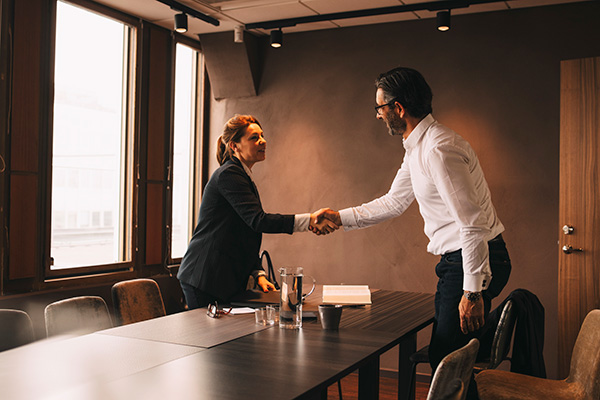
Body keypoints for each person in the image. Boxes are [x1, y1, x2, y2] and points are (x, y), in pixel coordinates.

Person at [314, 67, 511, 381]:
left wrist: (472, 294)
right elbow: (394, 202)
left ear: (398, 108)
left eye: (380, 108)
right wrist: (340, 218)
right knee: (451, 361)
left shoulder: (438, 150)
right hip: (460, 260)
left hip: (469, 259)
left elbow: (472, 225)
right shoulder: (418, 148)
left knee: (446, 363)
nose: (378, 116)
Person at [177, 115, 337, 310]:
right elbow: (258, 221)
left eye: (262, 135)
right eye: (254, 137)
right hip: (205, 277)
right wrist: (310, 219)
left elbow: (244, 231)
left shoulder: (241, 175)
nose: (263, 141)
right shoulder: (229, 174)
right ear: (234, 146)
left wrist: (258, 273)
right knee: (208, 340)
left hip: (222, 278)